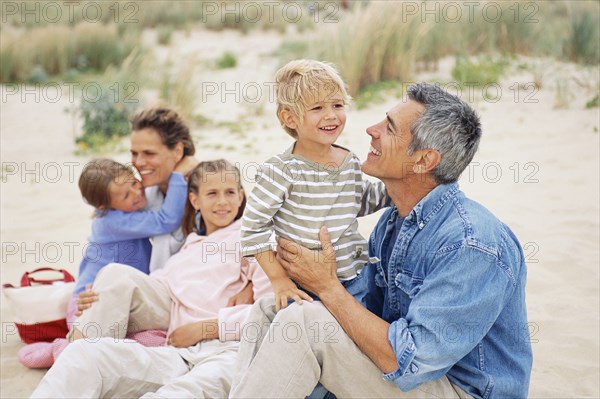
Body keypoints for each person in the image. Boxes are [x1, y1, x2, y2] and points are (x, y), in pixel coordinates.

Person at [230, 83, 533, 399]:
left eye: (388, 129)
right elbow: (367, 313)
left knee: (307, 322)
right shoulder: (395, 221)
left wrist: (327, 287)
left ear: (423, 160)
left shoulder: (471, 244)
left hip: (455, 389)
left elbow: (410, 362)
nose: (370, 130)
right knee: (273, 310)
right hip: (406, 377)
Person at [31, 160, 273, 398]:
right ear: (195, 200)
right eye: (212, 193)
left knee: (181, 393)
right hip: (175, 352)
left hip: (226, 351)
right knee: (83, 351)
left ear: (241, 197)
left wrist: (204, 328)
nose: (222, 201)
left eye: (230, 192)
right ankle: (75, 342)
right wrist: (100, 295)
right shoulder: (190, 245)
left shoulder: (253, 238)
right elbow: (157, 285)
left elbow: (273, 311)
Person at [241, 59, 389, 311]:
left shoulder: (349, 160)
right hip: (305, 287)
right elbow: (253, 231)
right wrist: (279, 279)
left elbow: (358, 201)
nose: (331, 115)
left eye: (337, 105)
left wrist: (396, 188)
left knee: (356, 341)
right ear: (289, 118)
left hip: (357, 278)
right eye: (317, 107)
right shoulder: (280, 171)